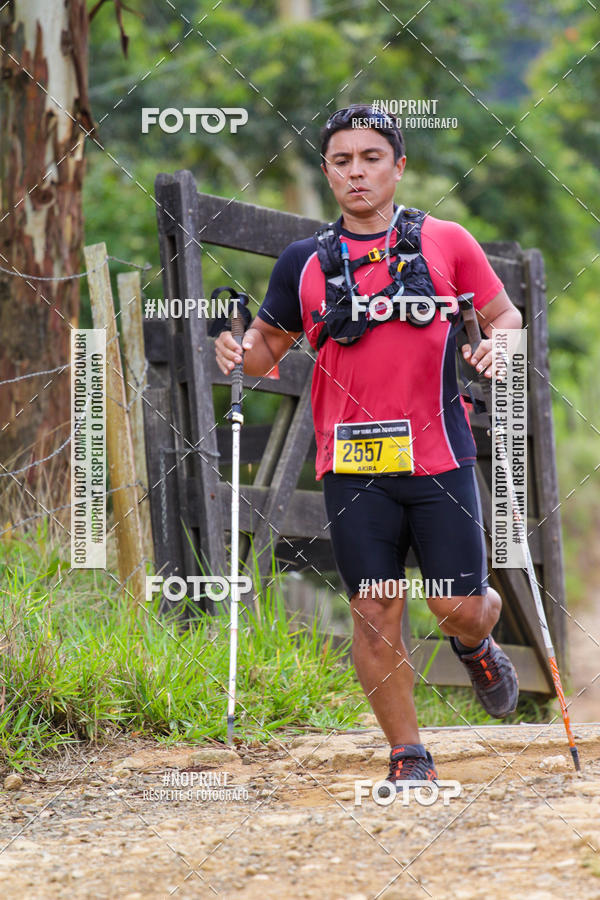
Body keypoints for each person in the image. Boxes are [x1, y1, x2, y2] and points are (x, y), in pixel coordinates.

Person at [214, 104, 521, 789]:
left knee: (456, 604)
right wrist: (235, 346)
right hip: (354, 465)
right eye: (342, 161)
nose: (357, 171)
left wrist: (498, 347)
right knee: (376, 604)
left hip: (441, 456)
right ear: (327, 173)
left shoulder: (447, 242)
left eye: (371, 158)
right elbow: (264, 353)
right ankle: (409, 753)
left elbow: (505, 315)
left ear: (398, 166)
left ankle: (476, 641)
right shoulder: (304, 264)